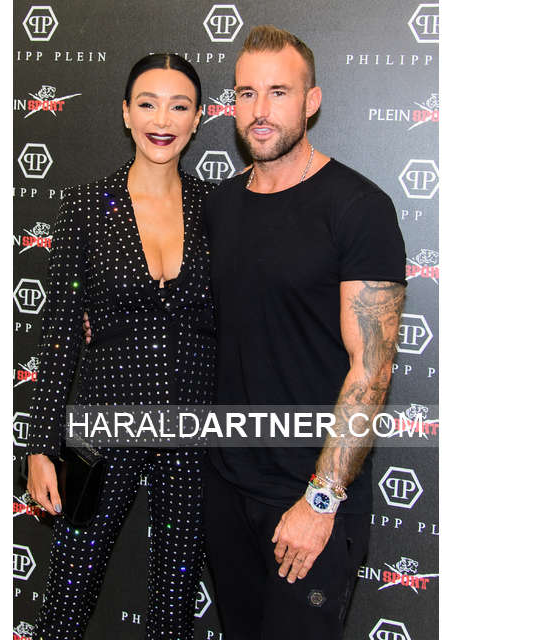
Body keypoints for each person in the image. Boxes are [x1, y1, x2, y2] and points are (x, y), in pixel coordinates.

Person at [200, 26, 407, 639]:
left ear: (311, 101)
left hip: (309, 497)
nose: (260, 111)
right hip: (226, 489)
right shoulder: (219, 205)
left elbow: (372, 369)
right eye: (246, 93)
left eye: (279, 92)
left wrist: (320, 501)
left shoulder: (357, 207)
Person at [25, 53, 217, 640]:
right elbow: (61, 334)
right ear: (126, 114)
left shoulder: (219, 208)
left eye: (179, 106)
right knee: (66, 602)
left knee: (174, 611)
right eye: (148, 104)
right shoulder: (85, 208)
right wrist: (40, 447)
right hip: (103, 428)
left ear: (198, 118)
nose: (162, 119)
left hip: (192, 432)